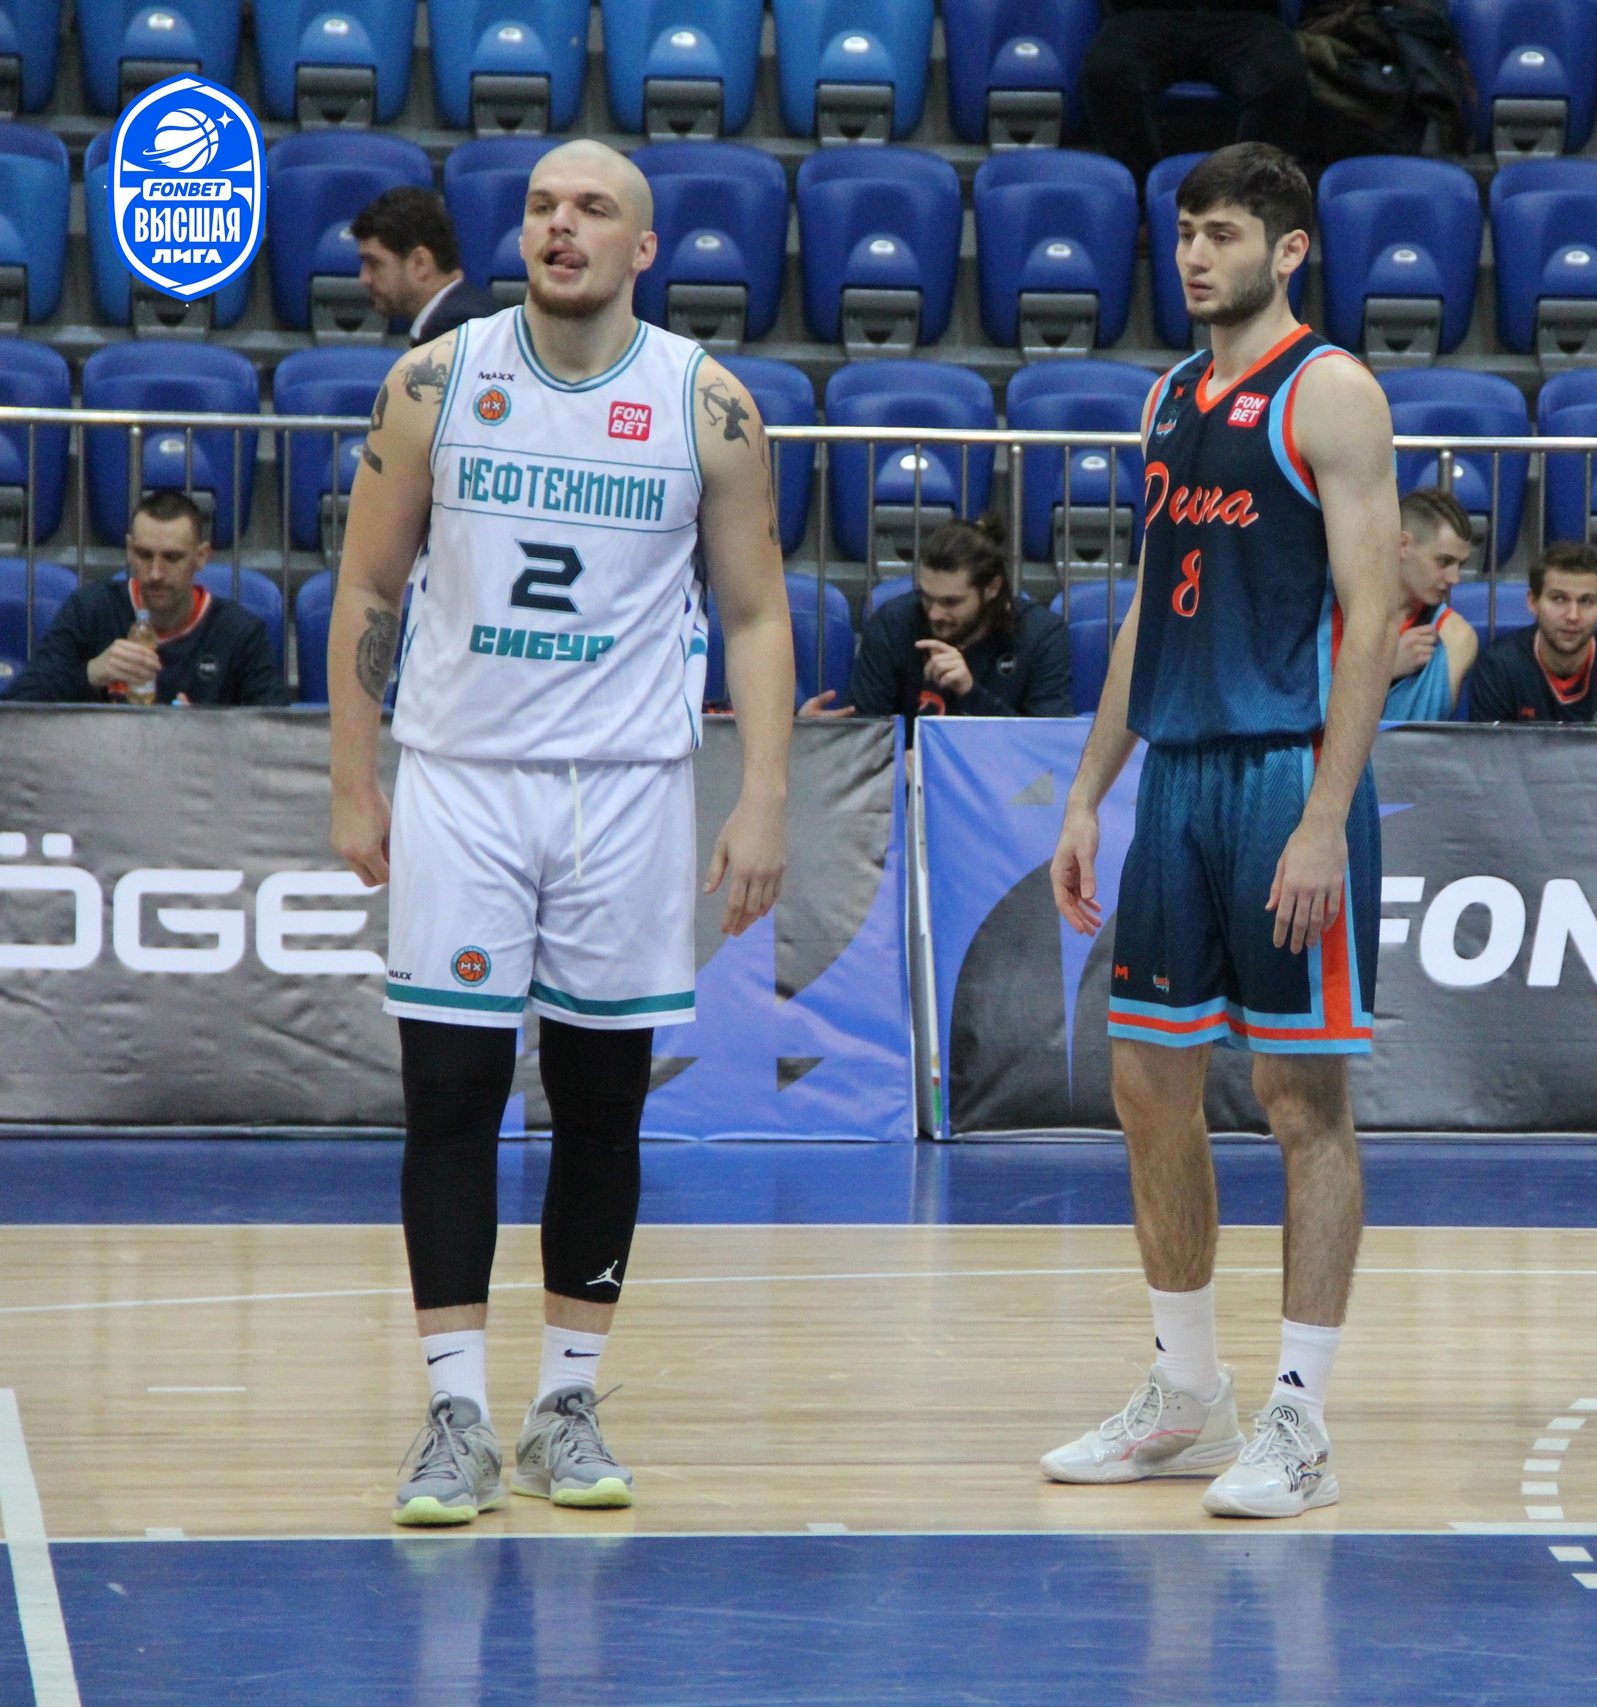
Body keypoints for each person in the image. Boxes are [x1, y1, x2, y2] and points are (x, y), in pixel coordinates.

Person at [327, 140, 795, 1529]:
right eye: (540, 206)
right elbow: (368, 584)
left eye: (592, 209)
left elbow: (757, 611)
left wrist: (764, 793)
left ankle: (565, 1403)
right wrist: (355, 779)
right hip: (464, 777)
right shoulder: (435, 381)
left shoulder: (707, 403)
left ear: (643, 248)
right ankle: (456, 1414)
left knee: (601, 1103)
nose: (560, 225)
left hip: (627, 790)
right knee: (452, 1093)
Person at [1043, 143, 1402, 1519]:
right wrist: (1089, 789)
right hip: (1179, 779)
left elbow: (1371, 616)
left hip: (1284, 778)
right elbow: (1153, 603)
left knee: (1303, 1102)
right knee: (1148, 1085)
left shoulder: (1333, 392)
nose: (1197, 253)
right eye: (1186, 230)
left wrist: (1325, 813)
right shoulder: (1167, 397)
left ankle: (1301, 1417)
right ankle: (1187, 1392)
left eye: (1225, 232)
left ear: (1290, 249)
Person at [5, 490, 286, 705]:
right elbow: (19, 706)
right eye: (144, 555)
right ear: (129, 550)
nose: (155, 573)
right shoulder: (89, 610)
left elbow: (274, 729)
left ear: (201, 557)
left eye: (172, 557)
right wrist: (90, 674)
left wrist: (205, 732)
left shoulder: (240, 632)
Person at [803, 518, 1074, 719]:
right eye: (926, 596)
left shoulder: (1042, 635)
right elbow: (868, 731)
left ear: (992, 588)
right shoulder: (892, 624)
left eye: (951, 602)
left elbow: (1044, 746)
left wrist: (970, 693)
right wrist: (820, 736)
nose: (934, 613)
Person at [1079, 0, 1310, 181]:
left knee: (1283, 77)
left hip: (1242, 15)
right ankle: (1145, 192)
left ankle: (1249, 194)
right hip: (1146, 14)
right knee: (1106, 73)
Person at [1465, 542, 1597, 723]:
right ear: (1533, 602)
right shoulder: (1498, 667)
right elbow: (1489, 747)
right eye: (1559, 599)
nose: (1573, 616)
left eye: (1586, 601)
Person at [353, 185, 503, 346]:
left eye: (374, 263)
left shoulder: (452, 328)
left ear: (420, 263)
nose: (364, 278)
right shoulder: (469, 310)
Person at [1382, 487, 1478, 722]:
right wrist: (1385, 669)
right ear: (1403, 544)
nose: (1454, 579)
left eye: (1460, 565)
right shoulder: (1336, 613)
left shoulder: (1457, 639)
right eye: (1443, 561)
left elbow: (1421, 738)